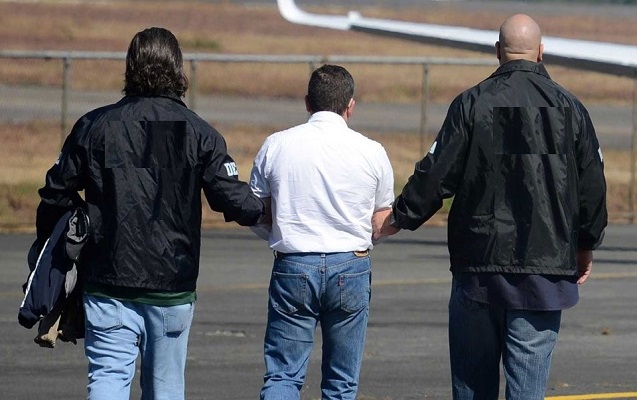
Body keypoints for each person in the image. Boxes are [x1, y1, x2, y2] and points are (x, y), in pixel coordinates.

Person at [373, 14, 607, 400]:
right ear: (541, 52)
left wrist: (398, 217)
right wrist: (585, 244)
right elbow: (592, 188)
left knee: (472, 387)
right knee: (527, 389)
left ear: (498, 51)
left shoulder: (471, 104)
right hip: (543, 274)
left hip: (479, 269)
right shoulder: (571, 109)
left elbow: (437, 174)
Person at [34, 27, 266, 400]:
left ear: (130, 68)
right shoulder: (198, 133)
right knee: (165, 387)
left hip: (107, 280)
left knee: (108, 378)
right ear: (178, 70)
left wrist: (58, 244)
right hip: (170, 285)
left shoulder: (94, 126)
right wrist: (270, 207)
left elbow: (55, 192)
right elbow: (233, 200)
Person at [249, 64, 395, 400]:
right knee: (341, 383)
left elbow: (256, 211)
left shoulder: (276, 145)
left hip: (294, 263)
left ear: (307, 102)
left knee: (283, 376)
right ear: (350, 106)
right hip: (351, 264)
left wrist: (282, 233)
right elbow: (380, 219)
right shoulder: (372, 151)